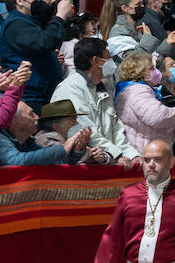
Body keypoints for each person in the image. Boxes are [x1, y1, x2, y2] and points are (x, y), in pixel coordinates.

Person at [50, 36, 138, 166]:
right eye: (108, 56)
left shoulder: (101, 88)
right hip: (79, 165)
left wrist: (132, 155)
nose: (111, 61)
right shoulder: (69, 89)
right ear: (96, 61)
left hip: (105, 160)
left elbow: (115, 128)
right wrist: (117, 155)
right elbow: (86, 131)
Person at [0, 0, 72, 108]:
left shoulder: (26, 21)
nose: (38, 1)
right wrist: (60, 16)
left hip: (42, 94)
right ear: (19, 0)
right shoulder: (15, 25)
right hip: (31, 97)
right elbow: (43, 43)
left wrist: (48, 8)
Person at [113, 50, 175, 152]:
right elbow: (157, 116)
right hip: (145, 154)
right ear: (140, 72)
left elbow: (150, 126)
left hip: (150, 149)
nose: (156, 72)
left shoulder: (138, 90)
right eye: (152, 69)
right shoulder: (137, 91)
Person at [0, 99, 92, 166]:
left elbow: (59, 162)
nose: (37, 117)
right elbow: (16, 161)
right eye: (31, 114)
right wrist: (63, 148)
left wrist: (78, 149)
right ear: (13, 120)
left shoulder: (28, 141)